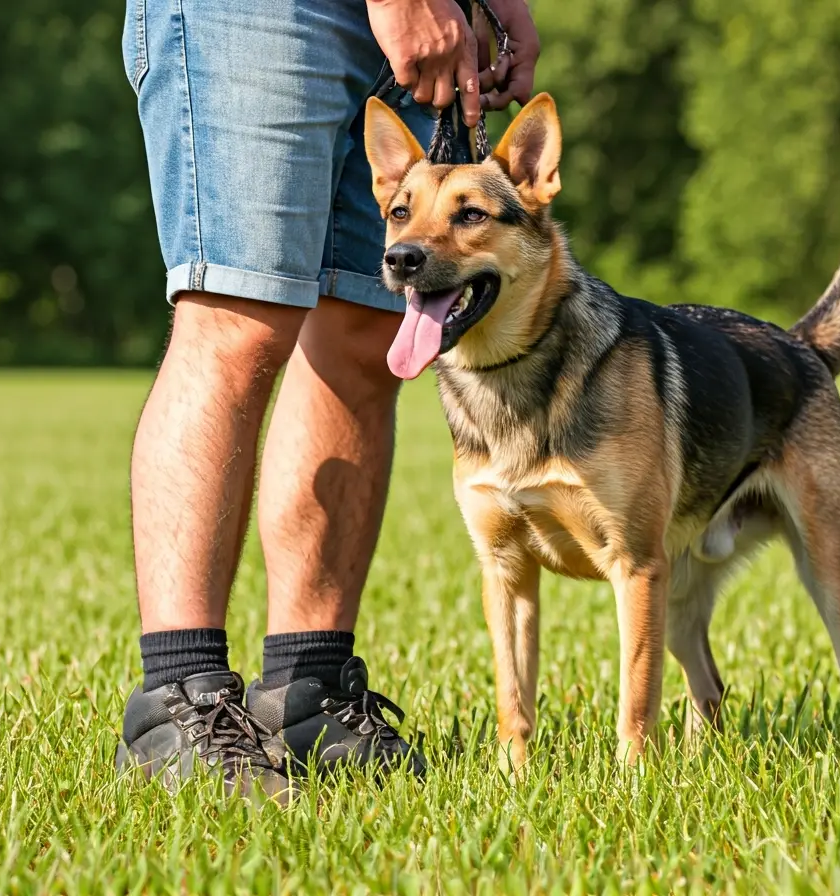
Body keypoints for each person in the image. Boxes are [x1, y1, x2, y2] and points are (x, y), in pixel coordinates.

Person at [114, 0, 540, 799]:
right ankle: (177, 702)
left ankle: (306, 694)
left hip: (434, 24)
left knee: (363, 334)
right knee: (236, 321)